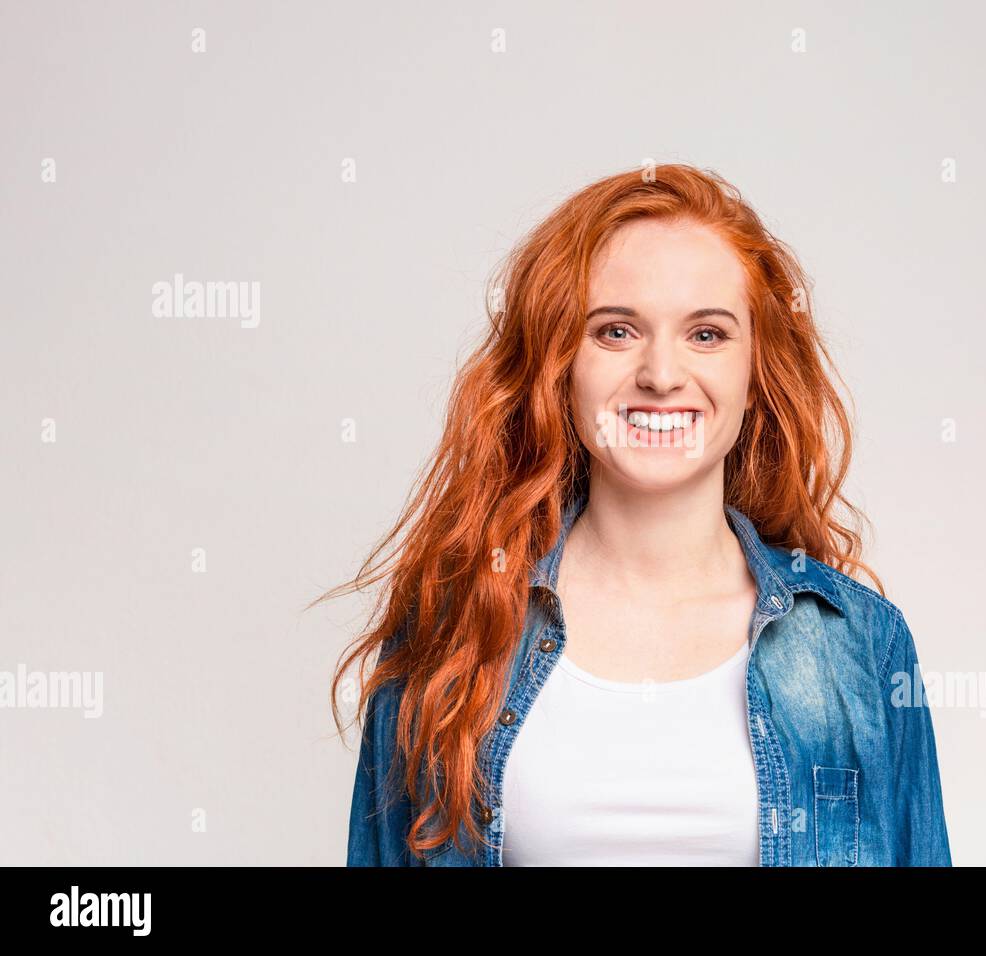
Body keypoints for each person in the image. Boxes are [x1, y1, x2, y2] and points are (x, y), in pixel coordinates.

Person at [319, 163, 952, 866]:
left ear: (755, 374)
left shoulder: (861, 644)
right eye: (616, 332)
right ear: (558, 368)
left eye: (706, 335)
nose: (660, 374)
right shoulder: (455, 625)